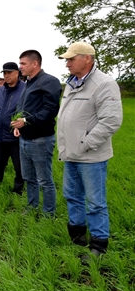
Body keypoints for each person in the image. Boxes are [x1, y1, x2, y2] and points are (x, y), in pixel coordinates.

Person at [57, 42, 123, 258]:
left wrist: (85, 143)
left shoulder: (104, 84)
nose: (67, 63)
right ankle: (77, 236)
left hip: (91, 157)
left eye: (71, 59)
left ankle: (98, 245)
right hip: (71, 155)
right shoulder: (71, 83)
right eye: (66, 59)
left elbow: (111, 121)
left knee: (95, 202)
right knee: (72, 196)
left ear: (87, 58)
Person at [11, 50, 62, 216]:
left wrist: (26, 121)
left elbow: (50, 109)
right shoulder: (28, 83)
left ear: (35, 63)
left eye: (23, 64)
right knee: (29, 178)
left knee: (44, 180)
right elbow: (22, 108)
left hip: (40, 139)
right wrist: (18, 126)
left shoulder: (50, 81)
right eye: (20, 64)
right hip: (24, 138)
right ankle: (32, 207)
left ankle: (49, 213)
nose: (20, 67)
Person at [0, 62, 25, 194]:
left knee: (19, 166)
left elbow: (27, 112)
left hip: (16, 136)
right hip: (0, 136)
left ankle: (18, 189)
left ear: (17, 72)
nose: (6, 75)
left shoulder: (25, 90)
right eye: (4, 73)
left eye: (9, 72)